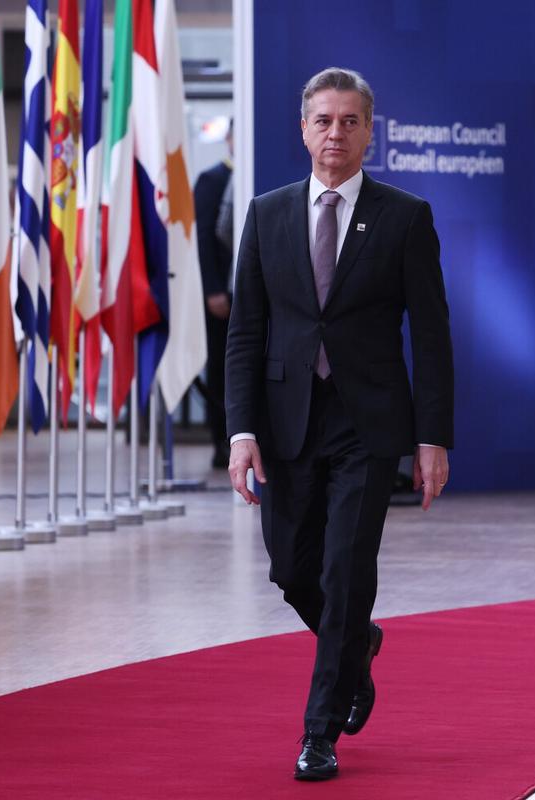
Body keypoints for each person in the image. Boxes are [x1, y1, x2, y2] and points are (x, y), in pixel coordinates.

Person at [224, 67, 454, 781]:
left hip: (368, 423)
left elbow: (432, 335)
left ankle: (318, 732)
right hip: (286, 420)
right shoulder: (266, 215)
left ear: (369, 132)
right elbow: (245, 332)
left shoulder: (405, 217)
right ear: (303, 129)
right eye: (324, 120)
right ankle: (359, 644)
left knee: (345, 569)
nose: (336, 133)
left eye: (350, 121)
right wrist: (240, 431)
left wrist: (432, 438)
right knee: (292, 568)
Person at [193, 121, 234, 468]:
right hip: (221, 296)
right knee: (221, 370)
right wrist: (212, 289)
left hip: (248, 293)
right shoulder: (212, 179)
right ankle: (221, 440)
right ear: (229, 138)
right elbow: (203, 238)